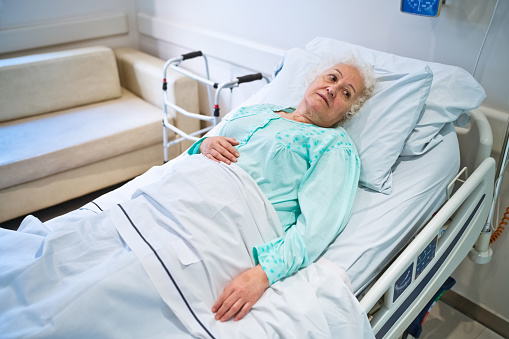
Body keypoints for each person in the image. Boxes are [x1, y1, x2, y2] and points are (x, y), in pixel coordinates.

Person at [187, 60, 375, 323]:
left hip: (225, 224)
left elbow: (316, 230)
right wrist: (204, 144)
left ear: (348, 112)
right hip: (184, 192)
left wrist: (262, 274)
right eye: (332, 78)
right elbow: (192, 154)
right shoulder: (259, 111)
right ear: (313, 79)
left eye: (346, 93)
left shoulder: (333, 146)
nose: (334, 89)